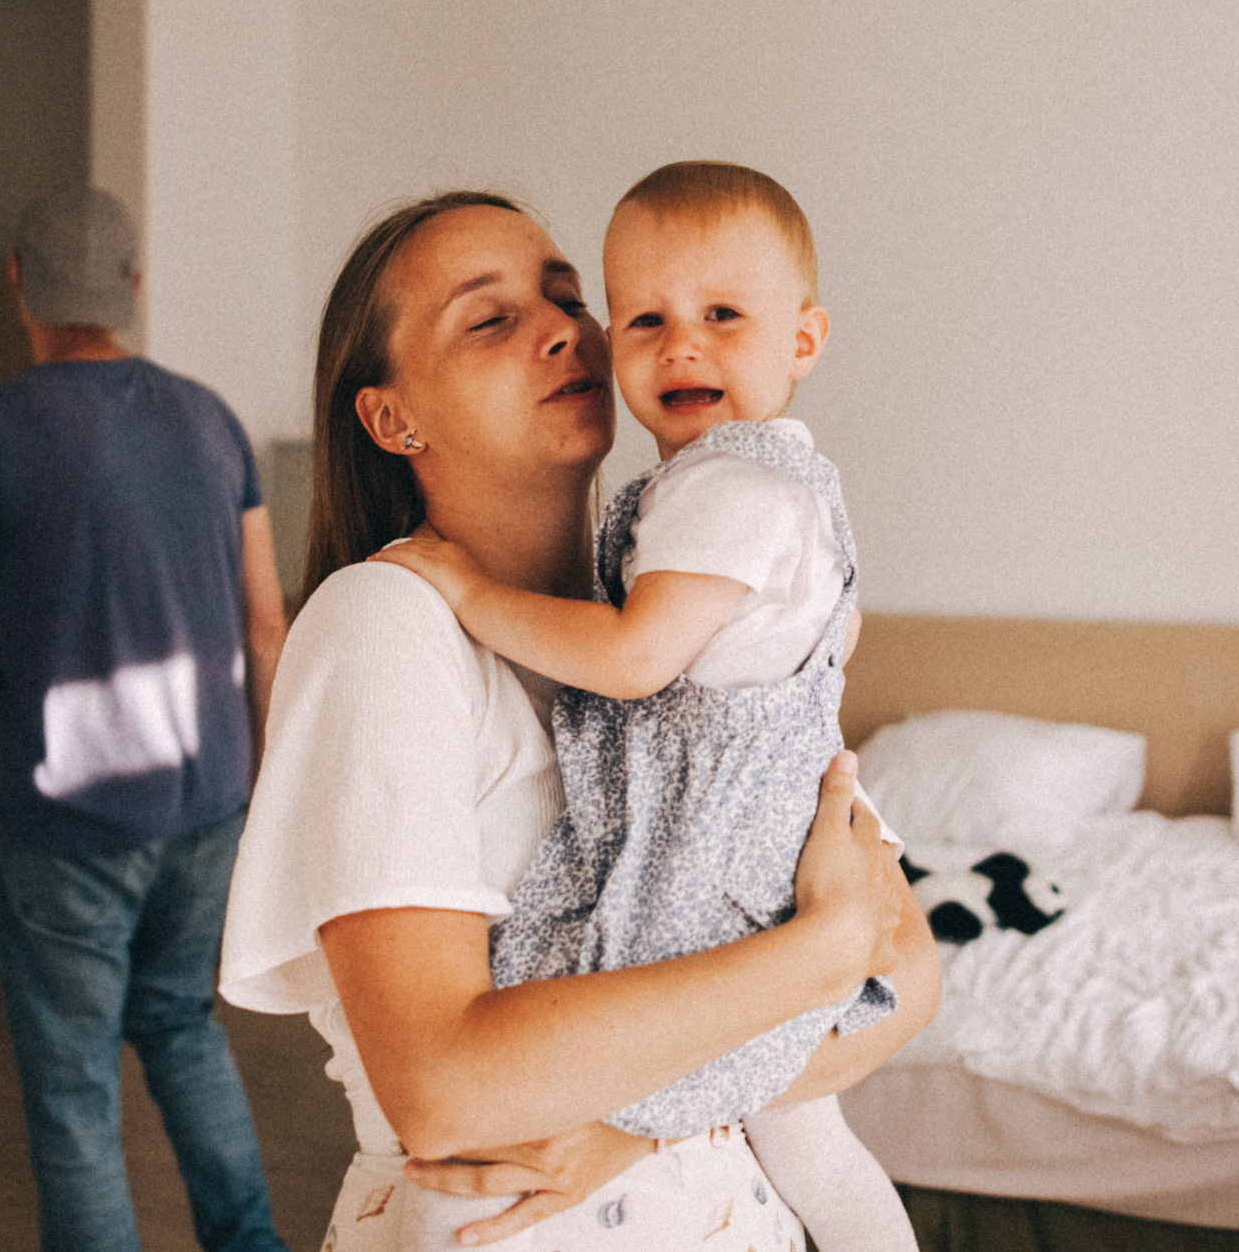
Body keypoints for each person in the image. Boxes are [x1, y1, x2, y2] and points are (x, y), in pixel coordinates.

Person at [220, 190, 940, 1251]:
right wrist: (823, 948)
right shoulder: (387, 625)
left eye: (568, 298)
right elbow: (444, 1092)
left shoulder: (697, 639)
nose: (566, 328)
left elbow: (910, 975)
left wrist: (629, 1125)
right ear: (391, 417)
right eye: (489, 317)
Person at [0, 184, 291, 1252]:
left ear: (15, 284)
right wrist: (264, 789)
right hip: (208, 800)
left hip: (70, 832)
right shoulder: (210, 417)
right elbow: (265, 628)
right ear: (133, 286)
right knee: (183, 1031)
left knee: (75, 1095)